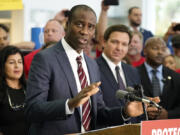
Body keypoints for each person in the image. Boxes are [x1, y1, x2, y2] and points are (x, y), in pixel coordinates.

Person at [25, 5, 144, 135]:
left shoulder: (92, 65)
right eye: (80, 24)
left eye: (91, 27)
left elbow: (98, 112)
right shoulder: (45, 58)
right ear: (68, 24)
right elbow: (32, 109)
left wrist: (124, 112)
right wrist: (70, 104)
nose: (85, 31)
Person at [96, 24, 144, 126]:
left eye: (124, 44)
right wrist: (124, 112)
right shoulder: (93, 68)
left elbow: (137, 107)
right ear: (104, 42)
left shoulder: (133, 71)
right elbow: (96, 110)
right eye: (114, 42)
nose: (119, 48)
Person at [137, 37, 180, 120]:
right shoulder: (133, 73)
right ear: (145, 51)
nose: (160, 52)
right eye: (155, 48)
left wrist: (168, 115)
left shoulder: (176, 77)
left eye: (163, 49)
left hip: (168, 128)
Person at [0, 46, 27, 135]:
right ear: (2, 65)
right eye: (11, 62)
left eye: (20, 62)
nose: (17, 66)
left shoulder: (30, 88)